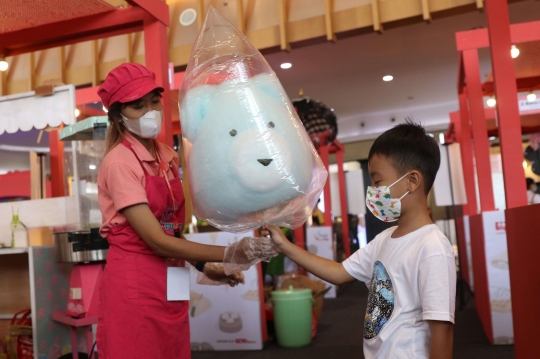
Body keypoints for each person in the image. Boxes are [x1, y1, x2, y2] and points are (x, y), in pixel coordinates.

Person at [96, 63, 276, 359]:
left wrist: (207, 268)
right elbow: (156, 240)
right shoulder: (119, 163)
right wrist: (230, 254)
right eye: (137, 107)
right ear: (118, 117)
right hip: (135, 281)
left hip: (171, 275)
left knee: (173, 348)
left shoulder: (167, 155)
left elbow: (172, 228)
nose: (150, 111)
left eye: (154, 101)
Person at [264, 121, 455, 359]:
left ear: (412, 181)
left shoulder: (432, 247)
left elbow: (442, 332)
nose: (373, 190)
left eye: (377, 181)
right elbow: (339, 273)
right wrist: (285, 246)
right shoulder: (385, 238)